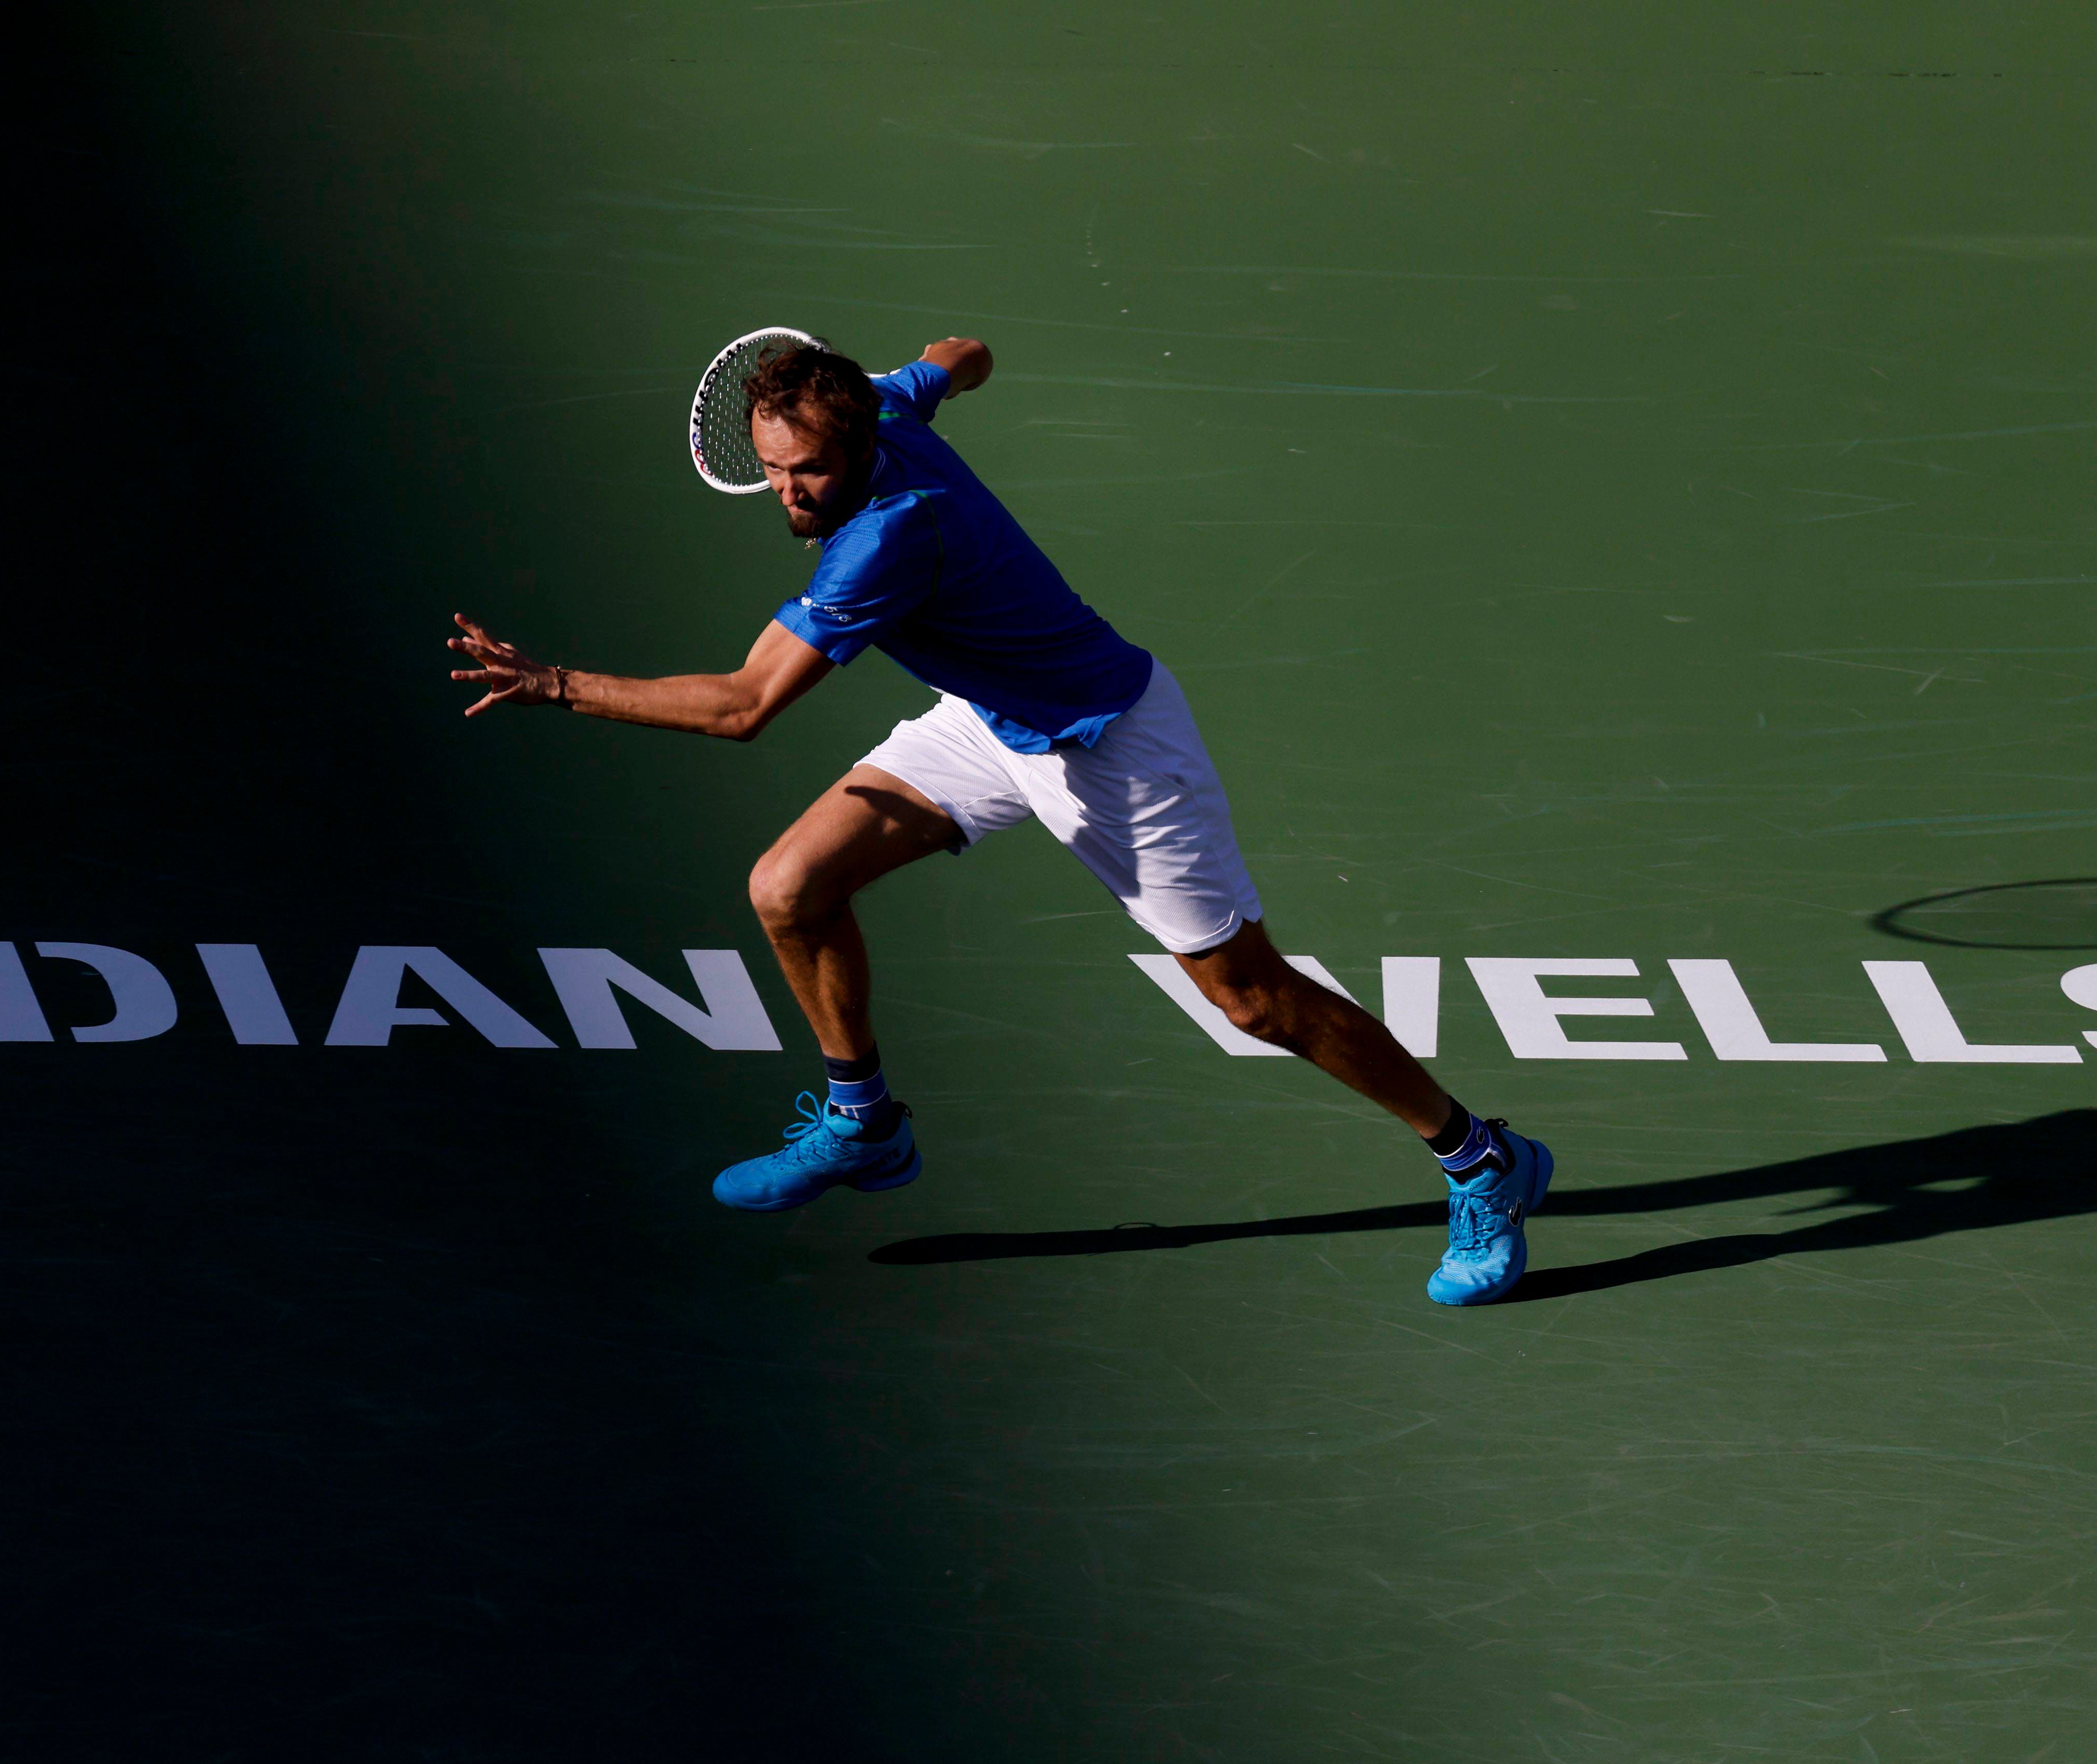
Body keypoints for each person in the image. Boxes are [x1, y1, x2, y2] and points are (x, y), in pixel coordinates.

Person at [446, 337, 1554, 1304]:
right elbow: (960, 353)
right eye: (774, 471)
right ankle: (865, 1123)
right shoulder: (878, 404)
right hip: (988, 723)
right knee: (789, 887)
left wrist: (555, 685)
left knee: (1252, 999)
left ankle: (1480, 1157)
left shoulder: (885, 538)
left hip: (1111, 745)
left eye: (809, 472)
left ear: (860, 450)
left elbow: (743, 708)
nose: (789, 493)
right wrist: (942, 371)